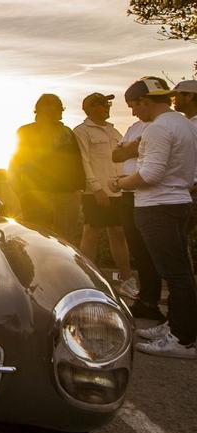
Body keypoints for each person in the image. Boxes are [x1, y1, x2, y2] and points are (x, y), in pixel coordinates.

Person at [108, 76, 197, 358]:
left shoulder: (159, 128)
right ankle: (176, 325)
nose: (134, 112)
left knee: (176, 274)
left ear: (145, 101)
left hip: (158, 206)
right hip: (176, 201)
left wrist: (120, 183)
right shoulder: (183, 123)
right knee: (179, 270)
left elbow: (150, 174)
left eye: (134, 106)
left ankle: (182, 340)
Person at [73, 93, 138, 298]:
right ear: (89, 108)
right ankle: (86, 280)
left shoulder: (114, 131)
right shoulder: (81, 131)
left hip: (118, 190)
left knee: (118, 233)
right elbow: (84, 161)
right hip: (97, 192)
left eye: (107, 104)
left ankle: (126, 280)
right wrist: (96, 188)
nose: (106, 108)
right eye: (102, 104)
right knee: (91, 233)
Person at [9, 94, 85, 242]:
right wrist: (23, 192)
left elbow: (77, 160)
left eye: (61, 107)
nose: (61, 111)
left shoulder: (68, 132)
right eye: (58, 107)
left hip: (67, 195)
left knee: (65, 243)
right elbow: (16, 163)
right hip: (36, 195)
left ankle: (63, 266)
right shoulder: (26, 131)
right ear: (43, 109)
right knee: (37, 240)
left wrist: (79, 190)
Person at [113, 117, 164, 321]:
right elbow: (116, 155)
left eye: (135, 104)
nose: (133, 110)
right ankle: (146, 301)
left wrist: (131, 148)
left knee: (153, 251)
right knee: (139, 250)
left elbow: (137, 155)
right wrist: (133, 147)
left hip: (149, 193)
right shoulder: (134, 127)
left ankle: (155, 304)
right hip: (129, 192)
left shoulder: (163, 125)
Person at [172, 80, 197, 241]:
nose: (173, 100)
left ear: (189, 96)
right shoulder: (185, 124)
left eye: (177, 96)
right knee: (178, 241)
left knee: (174, 240)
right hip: (185, 190)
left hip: (192, 191)